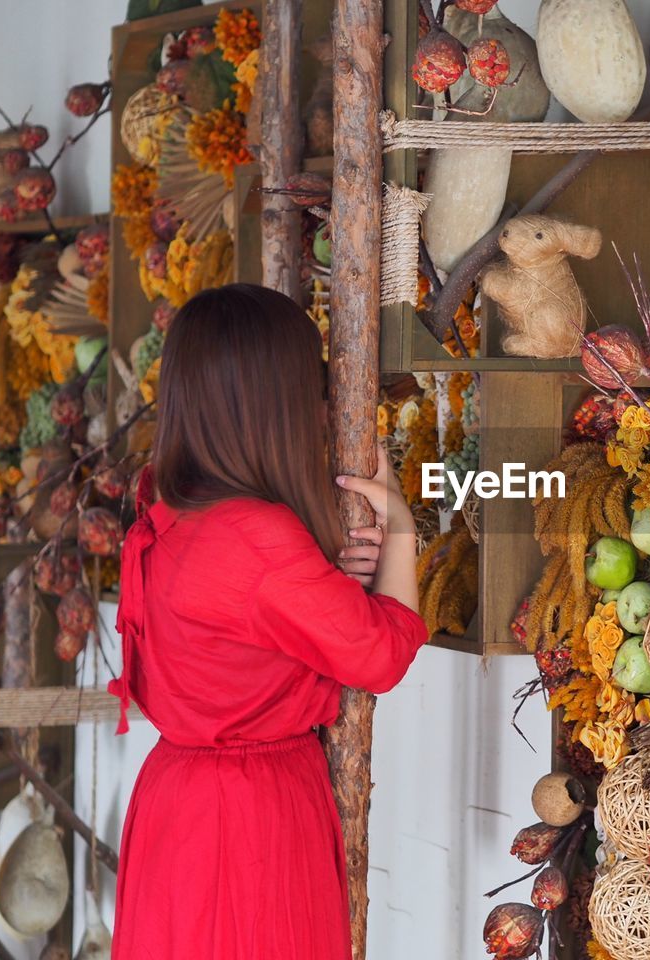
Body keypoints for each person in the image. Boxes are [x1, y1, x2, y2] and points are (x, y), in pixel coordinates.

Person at [108, 284, 428, 959]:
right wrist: (400, 530)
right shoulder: (255, 536)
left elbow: (254, 633)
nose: (320, 405)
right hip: (246, 822)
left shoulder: (174, 513)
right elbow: (379, 656)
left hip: (181, 804)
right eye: (310, 383)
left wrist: (334, 586)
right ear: (274, 401)